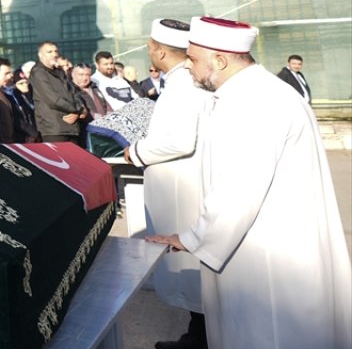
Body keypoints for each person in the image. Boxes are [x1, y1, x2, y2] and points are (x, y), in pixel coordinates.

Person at [148, 17, 351, 349]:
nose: (189, 66)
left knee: (265, 334)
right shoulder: (261, 92)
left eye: (194, 59)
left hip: (268, 254)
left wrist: (191, 237)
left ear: (220, 60)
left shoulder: (252, 103)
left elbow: (237, 190)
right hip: (275, 239)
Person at [123, 19, 211, 349]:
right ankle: (197, 334)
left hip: (184, 190)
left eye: (148, 48)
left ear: (160, 51)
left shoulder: (184, 85)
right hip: (182, 186)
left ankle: (200, 339)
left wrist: (136, 150)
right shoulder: (183, 81)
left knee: (192, 266)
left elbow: (181, 140)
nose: (148, 53)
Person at [28, 42, 87, 144]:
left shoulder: (60, 72)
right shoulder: (38, 73)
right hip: (53, 129)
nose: (54, 54)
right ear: (40, 55)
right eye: (49, 52)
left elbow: (74, 93)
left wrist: (79, 110)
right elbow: (53, 100)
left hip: (72, 128)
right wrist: (79, 109)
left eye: (55, 51)